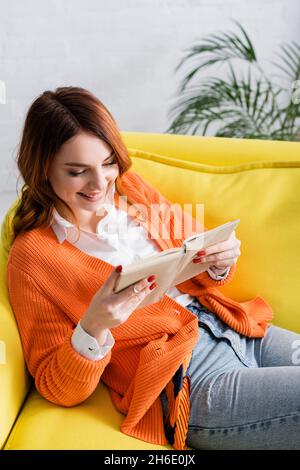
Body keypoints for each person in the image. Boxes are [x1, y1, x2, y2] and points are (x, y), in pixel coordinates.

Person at [6, 86, 300, 450]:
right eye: (78, 171)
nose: (100, 184)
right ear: (43, 170)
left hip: (236, 328)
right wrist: (94, 325)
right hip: (191, 379)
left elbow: (195, 252)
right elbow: (56, 385)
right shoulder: (32, 258)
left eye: (108, 163)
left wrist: (221, 262)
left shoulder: (130, 189)